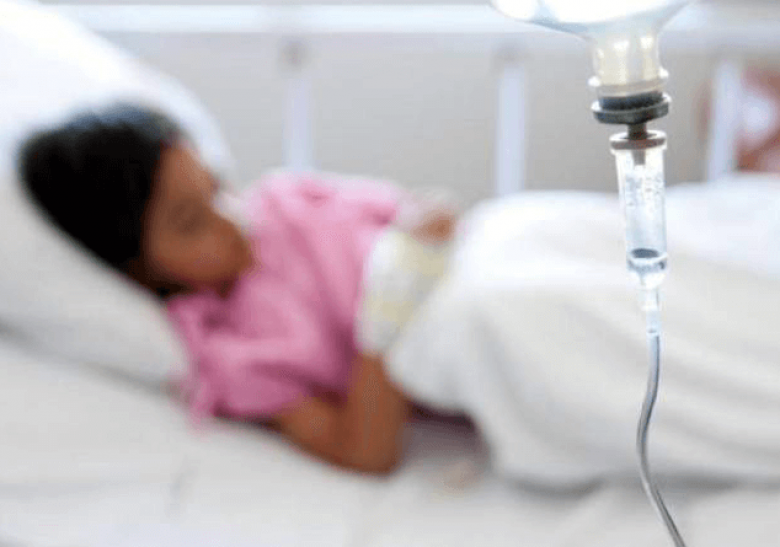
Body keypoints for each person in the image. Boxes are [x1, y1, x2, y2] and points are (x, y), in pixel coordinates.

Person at [18, 103, 459, 475]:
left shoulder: (284, 197)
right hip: (457, 337)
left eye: (216, 187)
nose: (229, 219)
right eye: (191, 222)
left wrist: (426, 226)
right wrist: (388, 309)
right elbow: (365, 451)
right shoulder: (233, 355)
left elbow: (426, 211)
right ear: (136, 271)